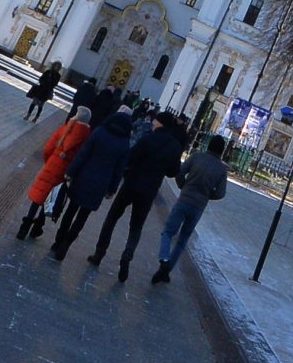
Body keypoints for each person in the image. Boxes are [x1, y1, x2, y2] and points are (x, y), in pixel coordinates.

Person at [92, 112, 188, 280]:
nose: (152, 123)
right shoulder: (174, 146)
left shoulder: (148, 138)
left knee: (112, 218)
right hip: (149, 191)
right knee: (136, 227)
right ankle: (126, 257)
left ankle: (99, 253)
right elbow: (173, 172)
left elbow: (131, 157)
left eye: (155, 120)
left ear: (160, 123)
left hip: (131, 183)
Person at [51, 107, 135, 260]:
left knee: (70, 210)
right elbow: (119, 170)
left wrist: (71, 172)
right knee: (83, 216)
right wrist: (112, 189)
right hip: (101, 184)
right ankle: (67, 243)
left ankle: (58, 241)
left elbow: (83, 154)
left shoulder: (99, 132)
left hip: (83, 177)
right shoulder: (124, 144)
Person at [150, 133, 231, 284]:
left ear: (209, 145)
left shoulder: (197, 157)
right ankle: (167, 269)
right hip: (198, 206)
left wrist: (183, 185)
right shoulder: (221, 169)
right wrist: (207, 195)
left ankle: (164, 258)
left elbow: (180, 172)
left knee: (168, 231)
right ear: (222, 150)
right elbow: (220, 193)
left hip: (185, 198)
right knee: (183, 239)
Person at [17, 106, 93, 239]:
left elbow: (48, 148)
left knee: (38, 197)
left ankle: (24, 227)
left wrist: (50, 160)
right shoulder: (86, 137)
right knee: (49, 199)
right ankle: (37, 227)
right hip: (64, 171)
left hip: (52, 164)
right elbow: (80, 158)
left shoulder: (65, 128)